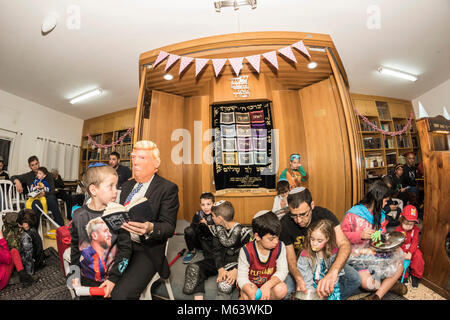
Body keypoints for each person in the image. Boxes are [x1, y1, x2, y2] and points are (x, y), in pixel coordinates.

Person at [111, 140, 179, 300]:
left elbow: (169, 227)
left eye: (142, 158)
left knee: (121, 295)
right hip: (121, 244)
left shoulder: (167, 188)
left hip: (146, 249)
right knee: (97, 278)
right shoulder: (127, 186)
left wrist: (150, 228)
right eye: (133, 157)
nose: (135, 161)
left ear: (156, 163)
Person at [279, 187, 360, 300]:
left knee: (355, 279)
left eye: (303, 214)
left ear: (312, 205)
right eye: (294, 215)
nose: (299, 220)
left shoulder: (325, 215)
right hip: (302, 265)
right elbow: (291, 260)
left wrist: (333, 272)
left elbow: (344, 244)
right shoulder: (284, 223)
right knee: (286, 290)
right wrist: (298, 278)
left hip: (325, 261)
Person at [70, 163, 132, 298]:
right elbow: (75, 248)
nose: (116, 191)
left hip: (114, 278)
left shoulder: (118, 214)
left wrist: (113, 279)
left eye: (116, 186)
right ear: (93, 190)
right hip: (86, 278)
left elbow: (125, 249)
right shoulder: (78, 216)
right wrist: (74, 274)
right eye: (110, 186)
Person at [341, 180, 407, 300]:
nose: (386, 205)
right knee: (370, 284)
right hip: (355, 257)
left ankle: (377, 296)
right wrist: (360, 235)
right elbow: (340, 237)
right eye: (386, 201)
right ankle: (389, 286)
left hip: (374, 253)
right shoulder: (353, 214)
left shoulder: (380, 215)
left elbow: (381, 236)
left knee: (399, 266)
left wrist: (385, 240)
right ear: (378, 198)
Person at [183, 200, 250, 300]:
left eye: (212, 216)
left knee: (224, 286)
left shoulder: (245, 232)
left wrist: (237, 270)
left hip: (235, 264)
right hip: (218, 261)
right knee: (194, 269)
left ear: (219, 218)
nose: (211, 218)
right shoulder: (217, 229)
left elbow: (249, 255)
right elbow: (216, 251)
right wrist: (220, 269)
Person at [237, 210, 288, 300]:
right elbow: (241, 277)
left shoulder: (280, 246)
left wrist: (267, 286)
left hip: (269, 284)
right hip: (251, 286)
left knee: (281, 289)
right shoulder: (246, 250)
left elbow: (283, 271)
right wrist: (249, 290)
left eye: (277, 236)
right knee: (248, 295)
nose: (276, 241)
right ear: (257, 237)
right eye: (271, 239)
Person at [10, 156, 64, 227]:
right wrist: (17, 181)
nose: (35, 166)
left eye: (36, 164)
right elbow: (12, 177)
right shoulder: (28, 175)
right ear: (30, 166)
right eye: (33, 165)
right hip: (36, 200)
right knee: (35, 204)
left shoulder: (47, 174)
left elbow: (52, 190)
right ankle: (34, 231)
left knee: (51, 199)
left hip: (48, 199)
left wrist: (44, 193)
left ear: (39, 163)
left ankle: (62, 227)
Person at [297, 219, 342, 300]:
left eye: (319, 241)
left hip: (330, 287)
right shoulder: (305, 254)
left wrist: (327, 288)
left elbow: (336, 276)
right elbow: (305, 278)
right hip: (312, 286)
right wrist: (313, 293)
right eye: (312, 239)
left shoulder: (334, 253)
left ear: (327, 239)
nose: (314, 243)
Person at [394, 205, 424, 288]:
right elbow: (396, 243)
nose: (409, 227)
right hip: (401, 250)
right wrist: (402, 253)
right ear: (401, 220)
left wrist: (410, 253)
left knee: (418, 257)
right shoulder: (398, 230)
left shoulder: (415, 229)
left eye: (411, 224)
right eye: (406, 224)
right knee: (398, 260)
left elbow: (414, 242)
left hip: (412, 249)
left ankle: (415, 276)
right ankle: (404, 276)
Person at [183, 192, 215, 264]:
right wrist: (199, 225)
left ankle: (208, 253)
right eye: (203, 205)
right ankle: (192, 251)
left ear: (213, 204)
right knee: (188, 230)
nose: (206, 207)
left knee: (210, 259)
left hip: (210, 241)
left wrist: (207, 225)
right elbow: (192, 228)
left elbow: (218, 232)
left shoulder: (216, 215)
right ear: (200, 205)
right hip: (199, 240)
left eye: (208, 204)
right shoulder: (198, 214)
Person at [16, 209, 45, 276]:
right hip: (39, 259)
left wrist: (29, 273)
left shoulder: (25, 236)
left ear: (26, 224)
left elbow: (28, 257)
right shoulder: (33, 229)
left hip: (34, 263)